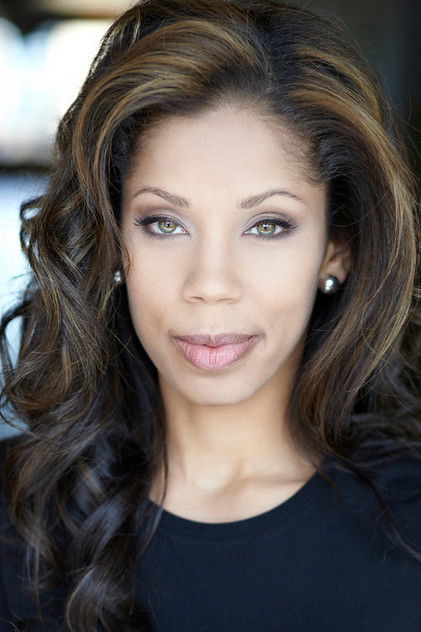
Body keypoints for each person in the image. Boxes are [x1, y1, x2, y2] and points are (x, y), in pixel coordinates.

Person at [0, 0, 420, 630]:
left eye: (268, 225)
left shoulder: (410, 530)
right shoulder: (15, 520)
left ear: (337, 249)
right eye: (164, 223)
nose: (211, 285)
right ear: (112, 240)